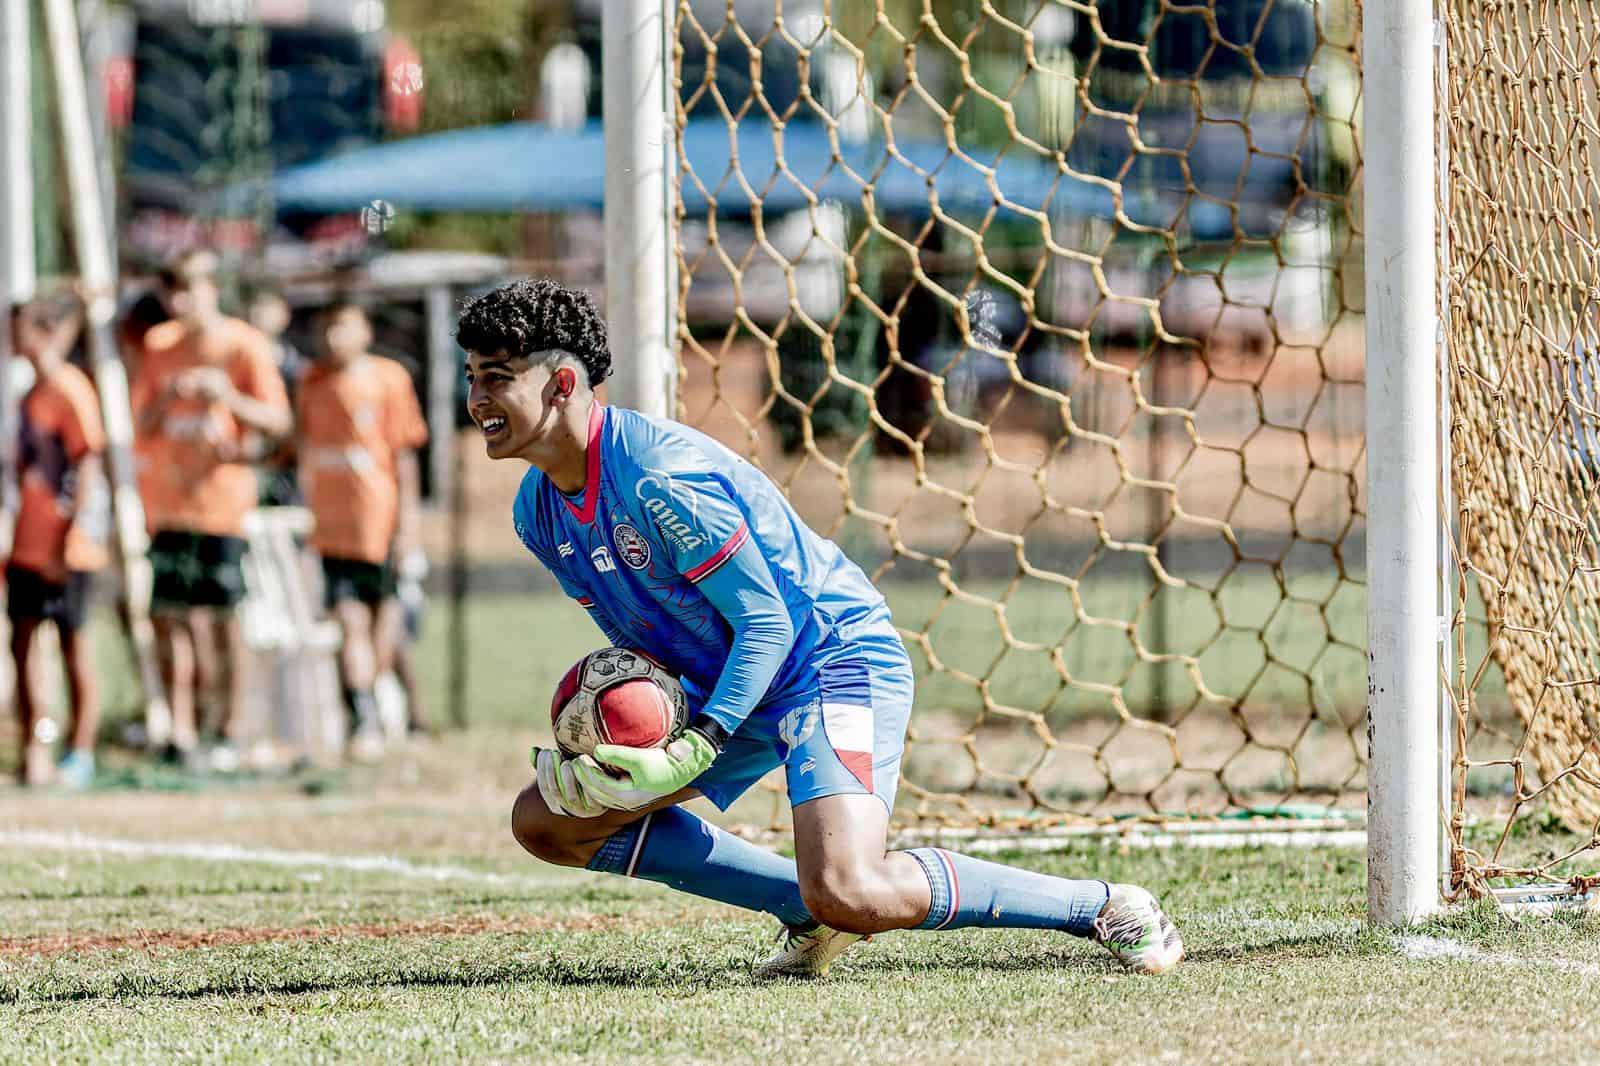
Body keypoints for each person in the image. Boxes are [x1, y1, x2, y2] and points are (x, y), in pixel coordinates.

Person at [460, 279, 1184, 978]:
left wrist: (697, 744)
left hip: (826, 660)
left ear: (561, 384)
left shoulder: (657, 476)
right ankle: (805, 912)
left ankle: (1103, 906)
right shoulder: (536, 512)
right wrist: (612, 742)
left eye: (496, 378)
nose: (477, 399)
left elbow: (767, 622)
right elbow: (643, 647)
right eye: (471, 379)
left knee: (852, 887)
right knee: (548, 820)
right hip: (734, 679)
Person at [132, 250, 291, 766]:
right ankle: (179, 728)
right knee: (169, 618)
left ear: (212, 290)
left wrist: (227, 397)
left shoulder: (244, 345)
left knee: (223, 620)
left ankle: (228, 728)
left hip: (223, 506)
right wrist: (168, 396)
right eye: (172, 291)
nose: (181, 302)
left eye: (190, 289)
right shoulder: (159, 345)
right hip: (169, 505)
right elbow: (141, 424)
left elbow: (279, 422)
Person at [296, 299, 427, 756]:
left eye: (343, 326)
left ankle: (399, 709)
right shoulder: (311, 382)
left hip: (380, 523)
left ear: (365, 331)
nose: (333, 338)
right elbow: (301, 446)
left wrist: (407, 526)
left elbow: (404, 459)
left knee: (385, 622)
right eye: (325, 328)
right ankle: (363, 715)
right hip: (333, 528)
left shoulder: (388, 379)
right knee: (349, 620)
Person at [6, 293, 111, 788]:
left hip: (67, 547)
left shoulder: (72, 389)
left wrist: (66, 542)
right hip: (26, 544)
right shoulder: (28, 394)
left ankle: (80, 751)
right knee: (22, 644)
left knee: (73, 646)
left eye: (19, 329)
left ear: (45, 332)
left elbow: (86, 465)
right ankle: (36, 747)